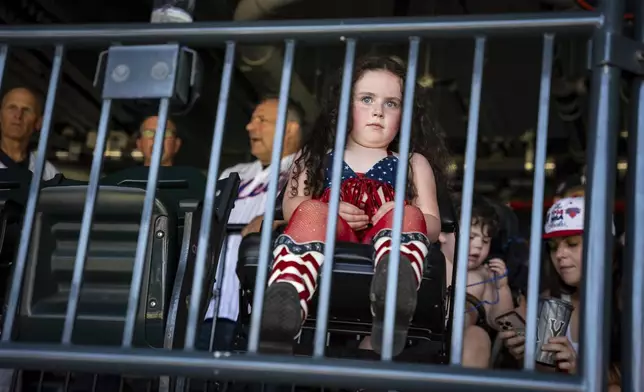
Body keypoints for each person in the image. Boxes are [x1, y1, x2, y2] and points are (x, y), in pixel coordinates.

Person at [259, 55, 450, 356]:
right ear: (344, 106)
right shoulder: (316, 154)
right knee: (309, 210)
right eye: (366, 99)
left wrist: (398, 212)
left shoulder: (412, 163)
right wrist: (330, 207)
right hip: (336, 236)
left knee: (410, 215)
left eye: (391, 103)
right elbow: (290, 205)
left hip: (387, 241)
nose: (378, 111)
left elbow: (434, 223)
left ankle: (393, 301)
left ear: (405, 114)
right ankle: (285, 306)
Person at [200, 96, 305, 351]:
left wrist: (275, 218)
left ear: (290, 128)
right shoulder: (233, 173)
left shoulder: (308, 168)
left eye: (261, 120)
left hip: (265, 311)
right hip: (211, 308)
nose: (250, 127)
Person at [499, 196, 621, 390]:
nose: (559, 254)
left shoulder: (631, 301)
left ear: (606, 246)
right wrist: (527, 356)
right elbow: (545, 377)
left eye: (571, 244)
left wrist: (582, 371)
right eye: (554, 247)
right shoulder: (552, 300)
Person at [0, 87, 58, 179]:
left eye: (26, 110)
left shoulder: (48, 173)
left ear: (39, 122)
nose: (18, 115)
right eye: (12, 108)